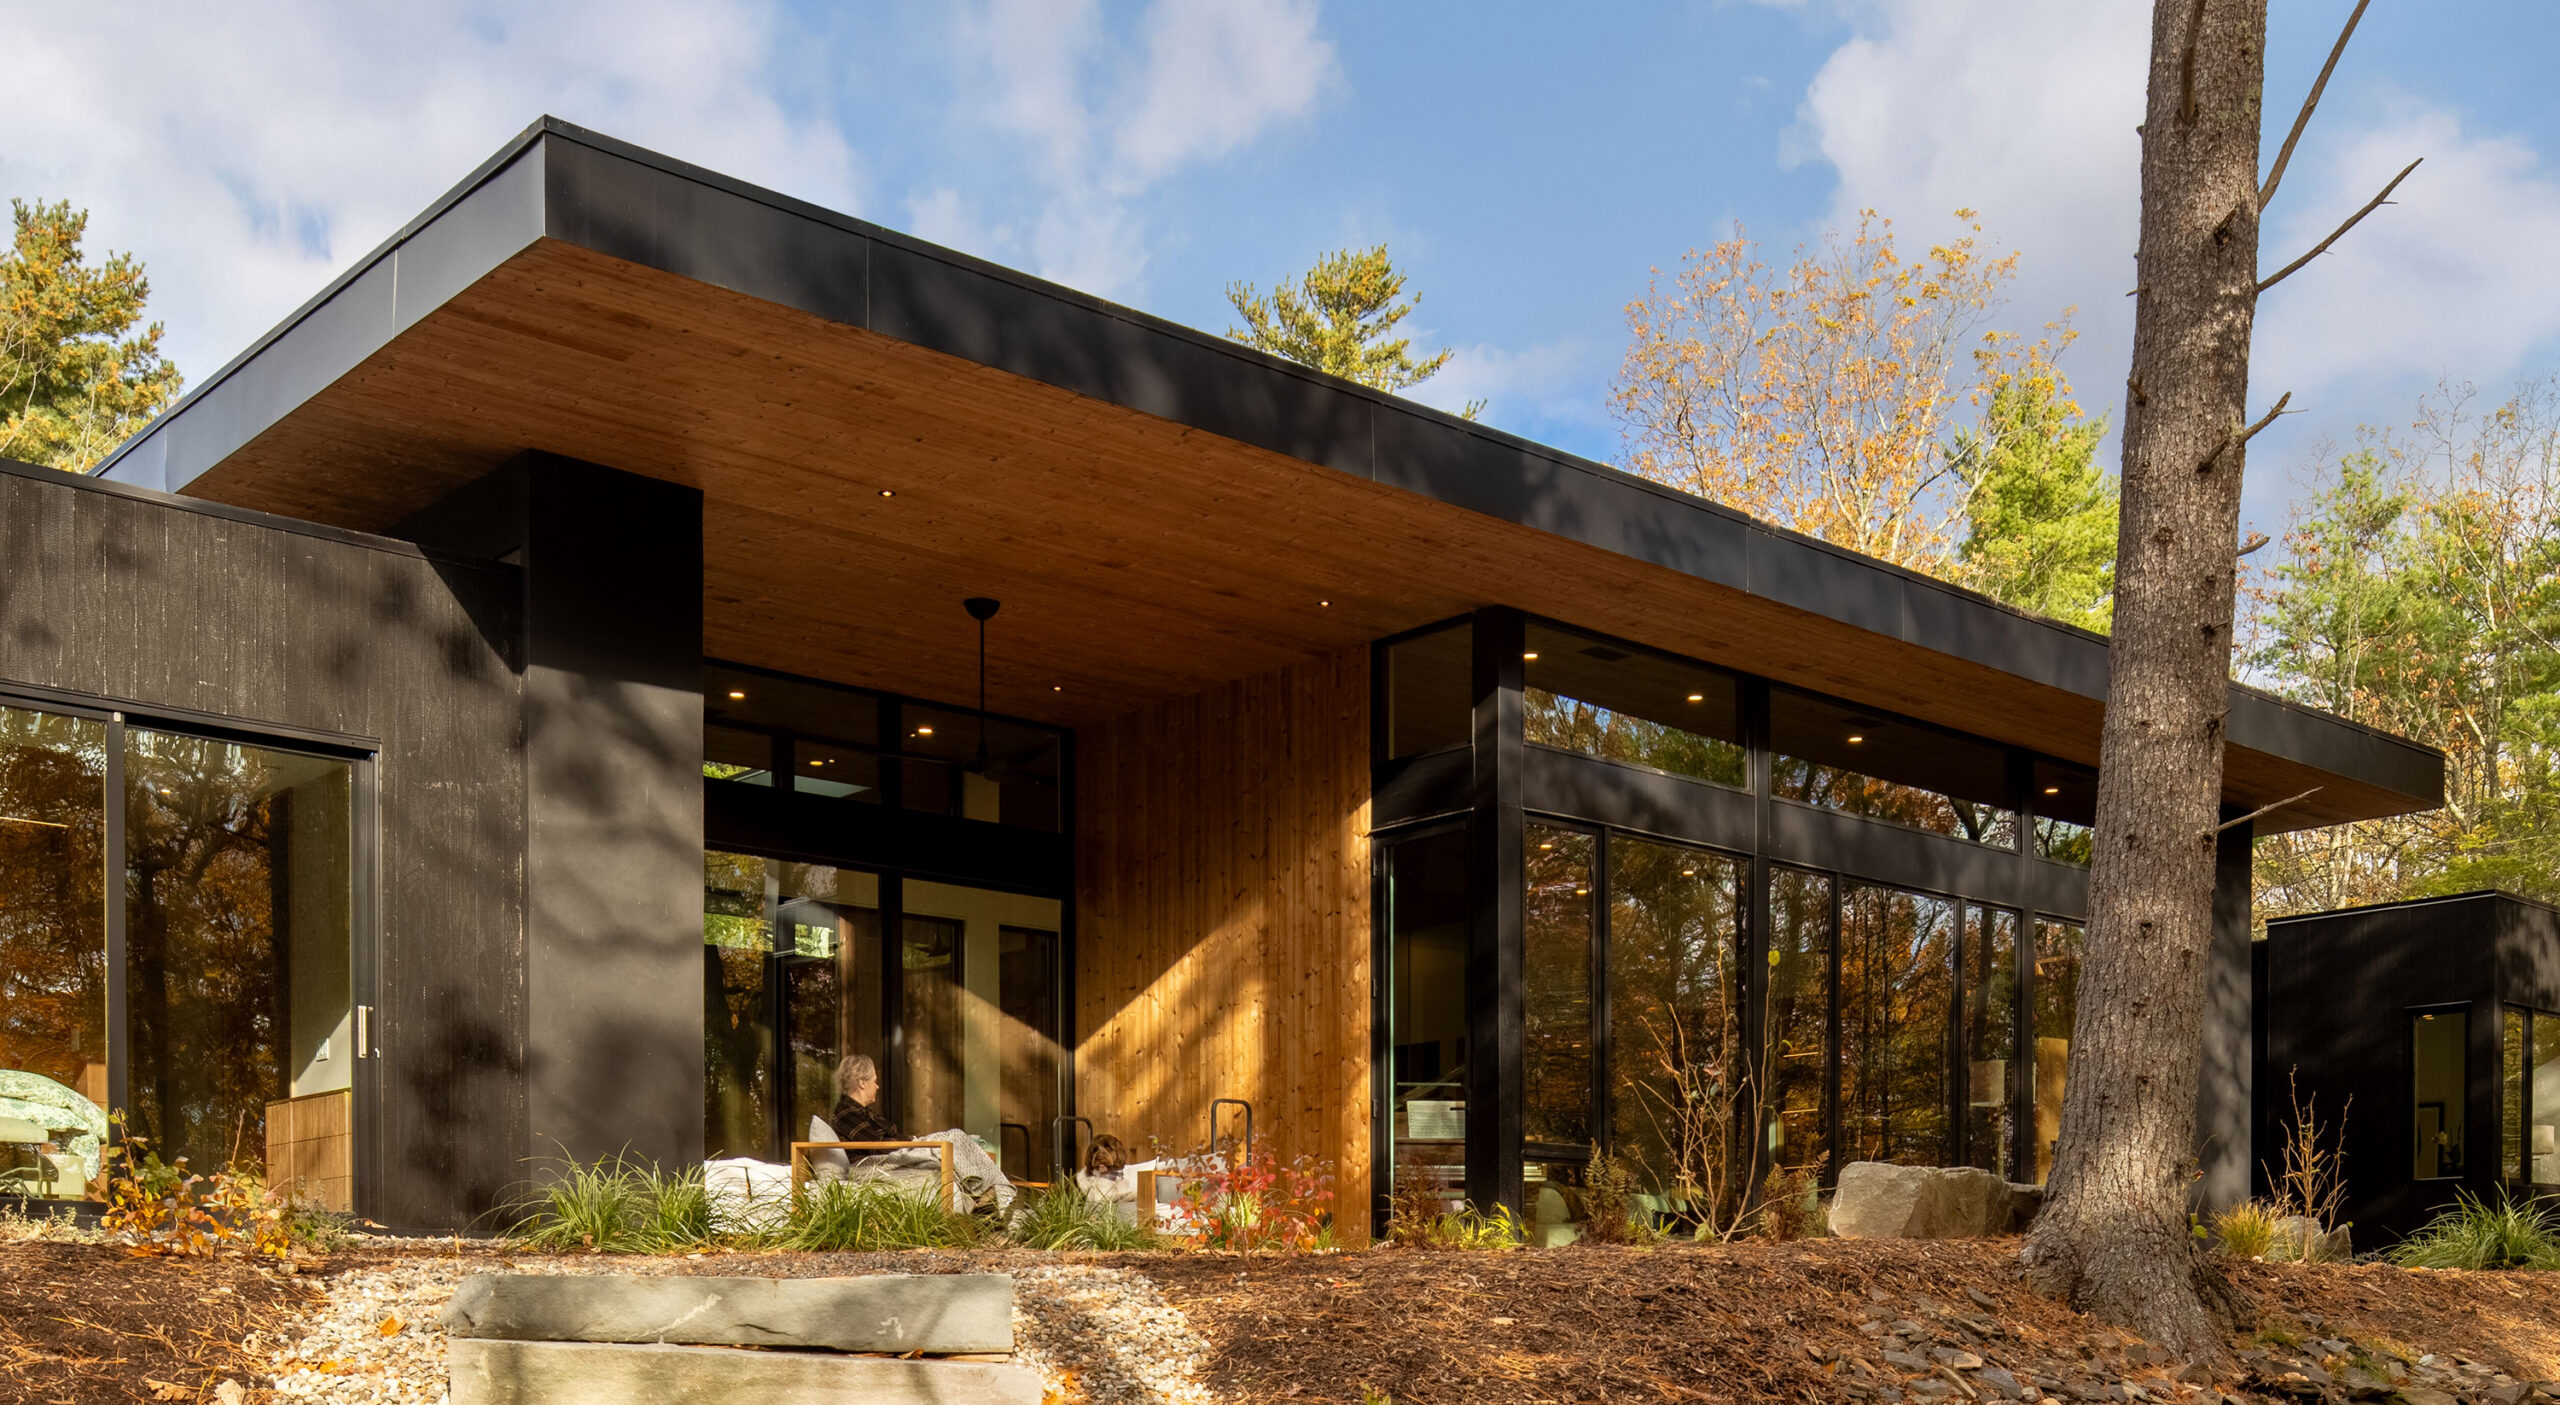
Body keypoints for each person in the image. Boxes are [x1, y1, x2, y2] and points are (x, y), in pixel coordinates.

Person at [828, 1054, 902, 1144]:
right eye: (874, 1081)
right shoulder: (846, 1114)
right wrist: (911, 1140)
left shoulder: (861, 1112)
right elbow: (878, 1146)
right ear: (862, 1083)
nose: (877, 1086)